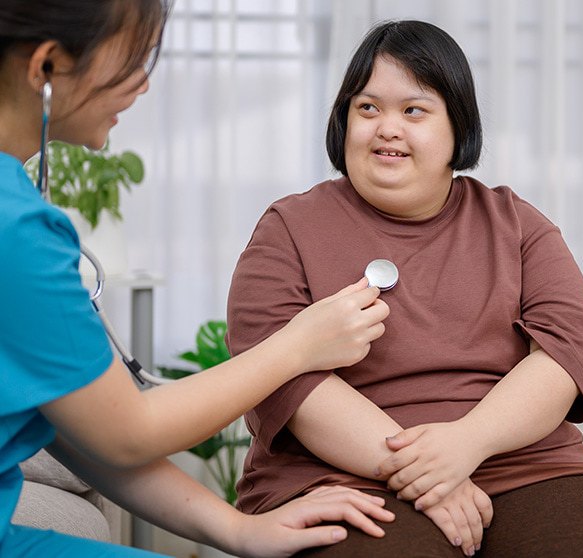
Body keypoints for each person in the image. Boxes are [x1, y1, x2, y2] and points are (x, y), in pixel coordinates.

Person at [226, 19, 583, 558]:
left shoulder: (517, 224)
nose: (387, 128)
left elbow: (567, 349)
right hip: (337, 474)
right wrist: (428, 471)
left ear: (457, 127)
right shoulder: (288, 228)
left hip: (524, 463)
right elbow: (279, 376)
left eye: (414, 110)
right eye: (367, 108)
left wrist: (467, 442)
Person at [0, 2, 395, 557]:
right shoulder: (16, 228)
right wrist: (299, 346)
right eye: (132, 61)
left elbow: (75, 421)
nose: (143, 83)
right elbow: (126, 432)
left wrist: (238, 530)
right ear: (46, 66)